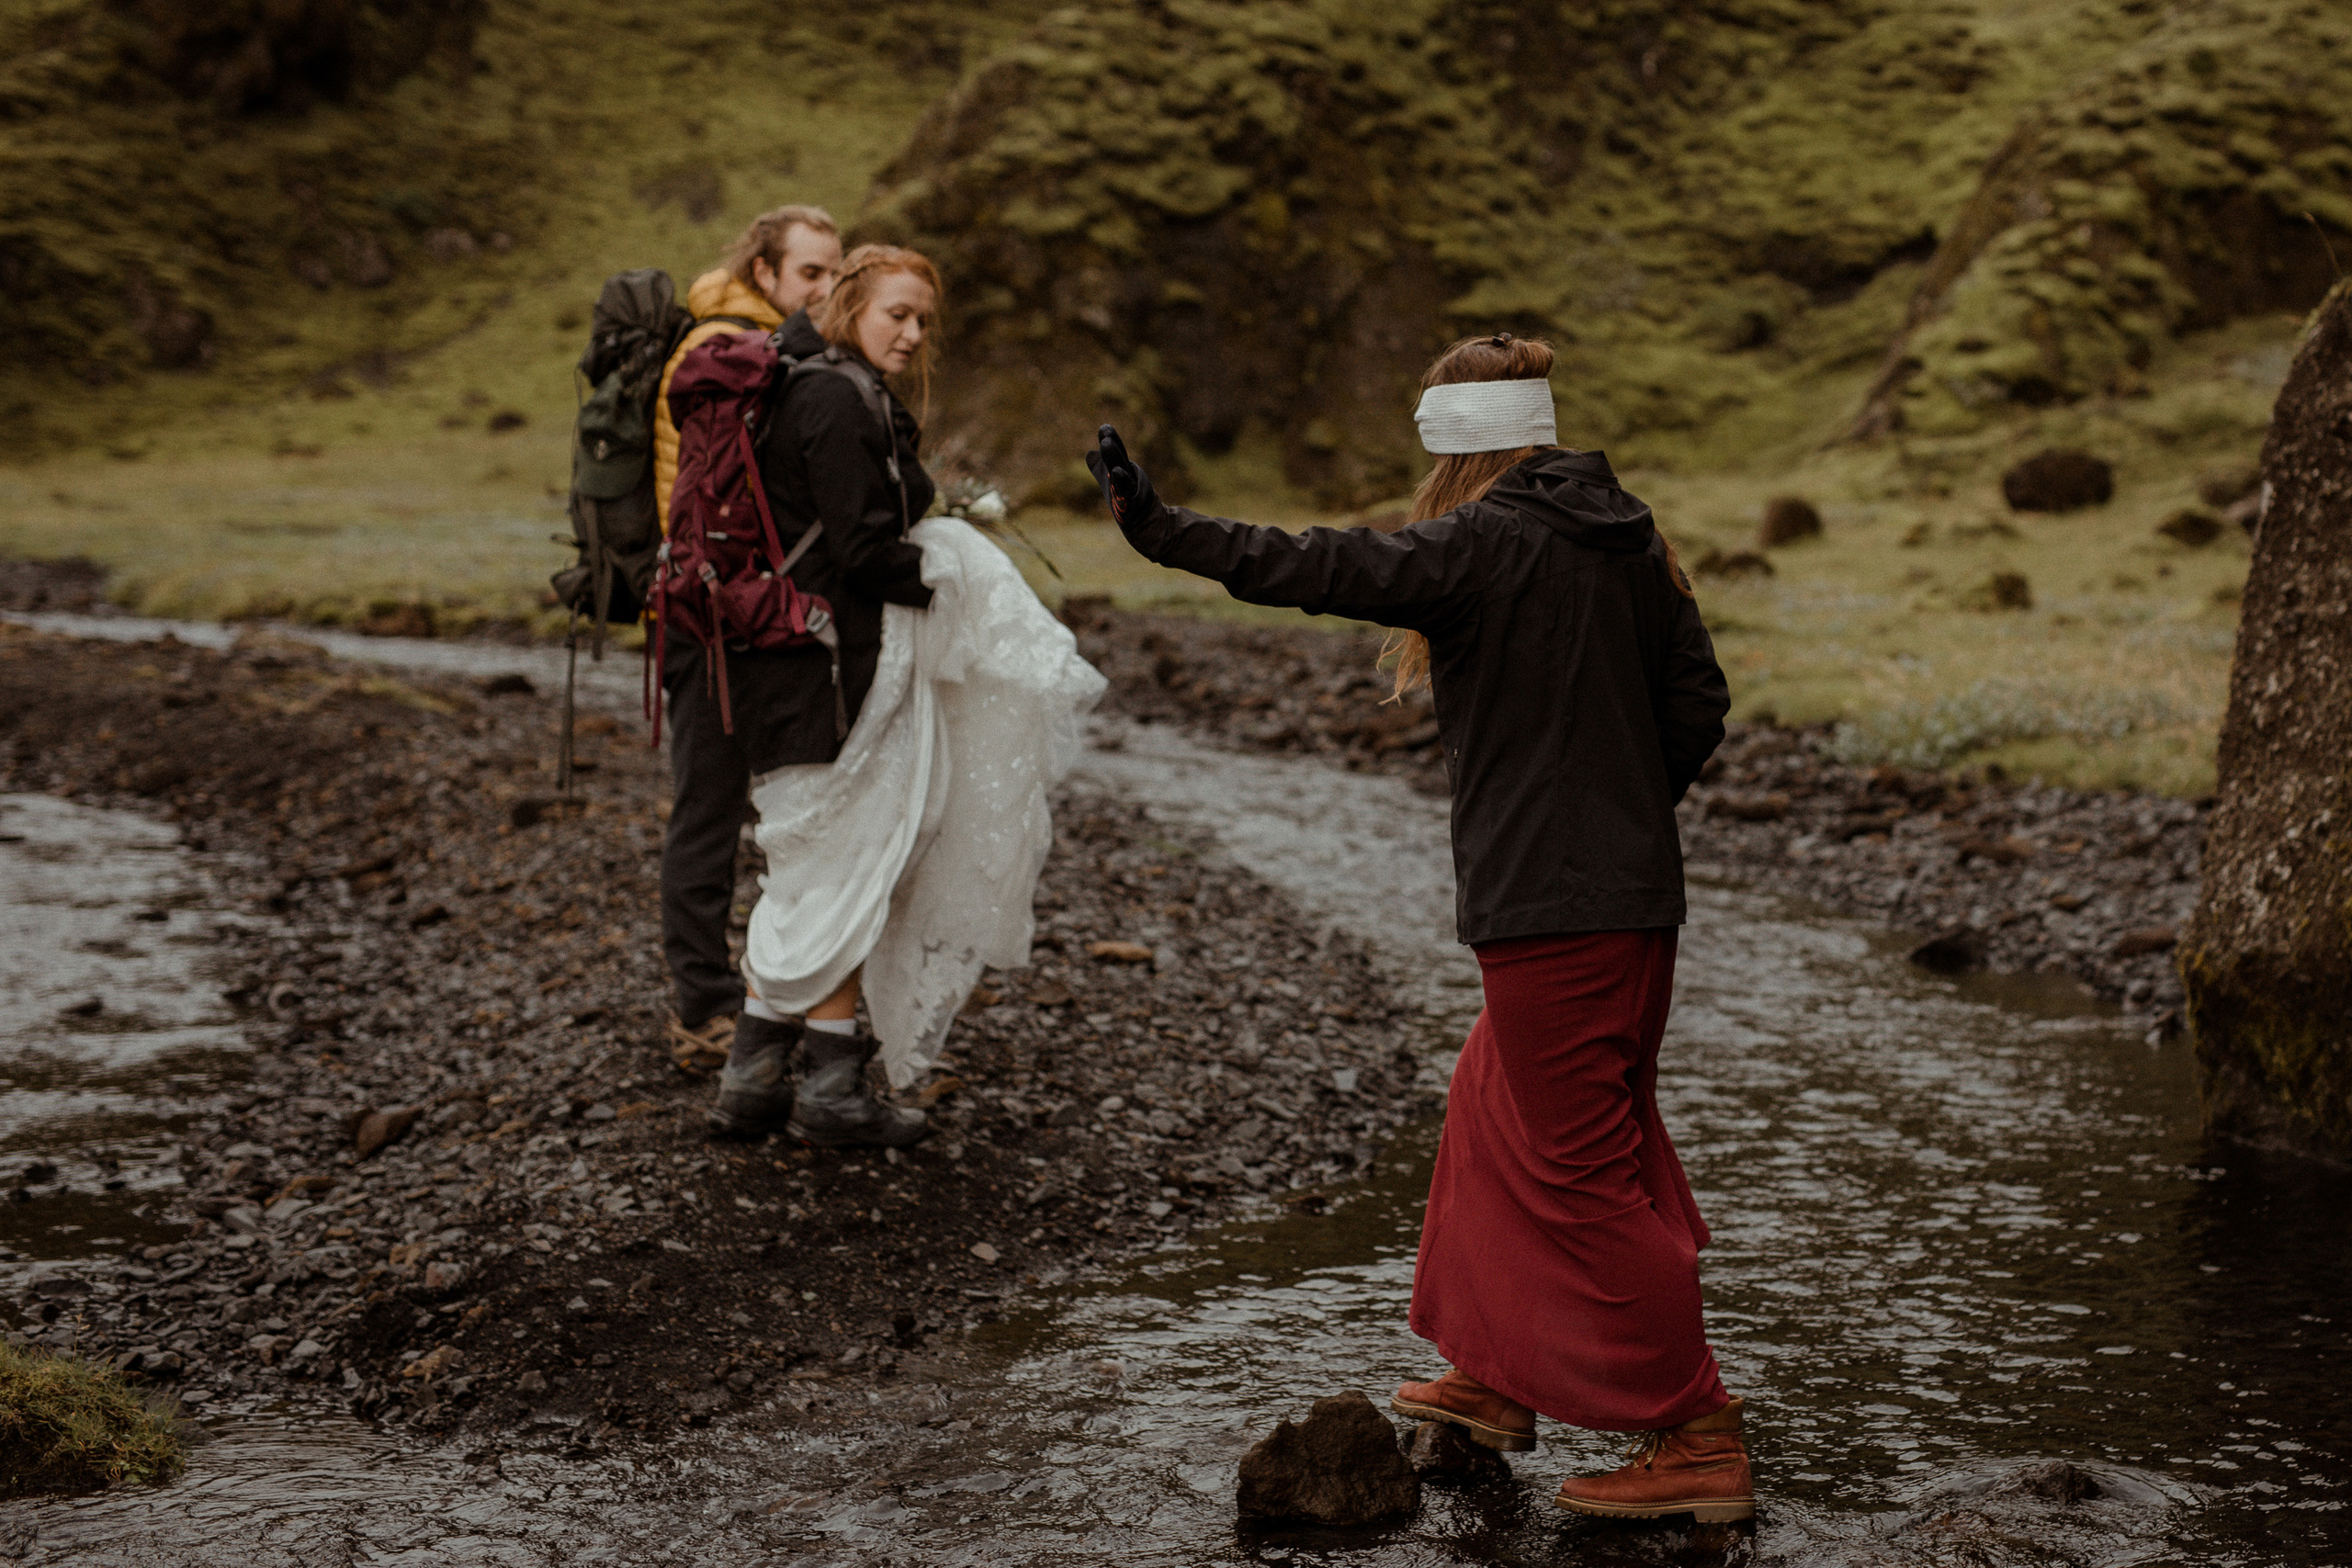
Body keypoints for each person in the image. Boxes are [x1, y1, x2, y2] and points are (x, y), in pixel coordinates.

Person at [1083, 333, 1753, 1522]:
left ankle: (1697, 1434)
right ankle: (1497, 1374)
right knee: (1492, 1117)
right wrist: (1617, 816)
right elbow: (1696, 701)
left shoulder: (1486, 541)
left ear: (1453, 454)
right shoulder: (1631, 534)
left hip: (1554, 913)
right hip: (1622, 903)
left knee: (1584, 1172)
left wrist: (1159, 527)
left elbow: (1320, 564)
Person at [658, 205, 843, 1071]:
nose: (827, 289)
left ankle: (763, 996)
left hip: (734, 616)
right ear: (763, 272)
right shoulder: (728, 356)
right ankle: (703, 1008)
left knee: (749, 810)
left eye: (836, 272)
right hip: (707, 622)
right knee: (710, 814)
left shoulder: (759, 352)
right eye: (811, 273)